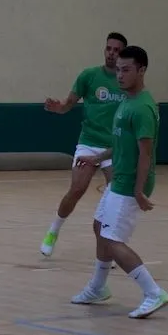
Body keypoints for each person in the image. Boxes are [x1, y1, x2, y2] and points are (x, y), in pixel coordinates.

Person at [70, 45, 168, 319]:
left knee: (113, 240)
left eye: (126, 70)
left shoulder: (142, 108)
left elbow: (145, 153)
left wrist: (139, 190)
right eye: (118, 70)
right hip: (120, 180)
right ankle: (98, 288)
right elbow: (119, 143)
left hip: (129, 184)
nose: (120, 75)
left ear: (142, 71)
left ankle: (153, 292)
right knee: (99, 226)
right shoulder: (125, 101)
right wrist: (97, 158)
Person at [39, 32, 128, 258]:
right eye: (109, 48)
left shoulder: (125, 83)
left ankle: (111, 246)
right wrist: (57, 107)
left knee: (114, 195)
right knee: (77, 189)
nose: (112, 53)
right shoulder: (89, 76)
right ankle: (53, 231)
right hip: (89, 143)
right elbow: (68, 104)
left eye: (117, 50)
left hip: (113, 148)